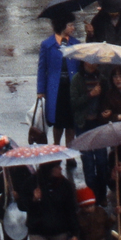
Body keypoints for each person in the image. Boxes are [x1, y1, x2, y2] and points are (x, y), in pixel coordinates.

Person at [36, 13, 80, 144]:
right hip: (56, 89)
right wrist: (40, 90)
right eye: (70, 25)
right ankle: (56, 146)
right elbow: (42, 69)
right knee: (58, 122)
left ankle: (70, 149)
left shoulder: (75, 44)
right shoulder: (47, 45)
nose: (73, 28)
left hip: (72, 89)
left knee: (71, 123)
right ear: (62, 26)